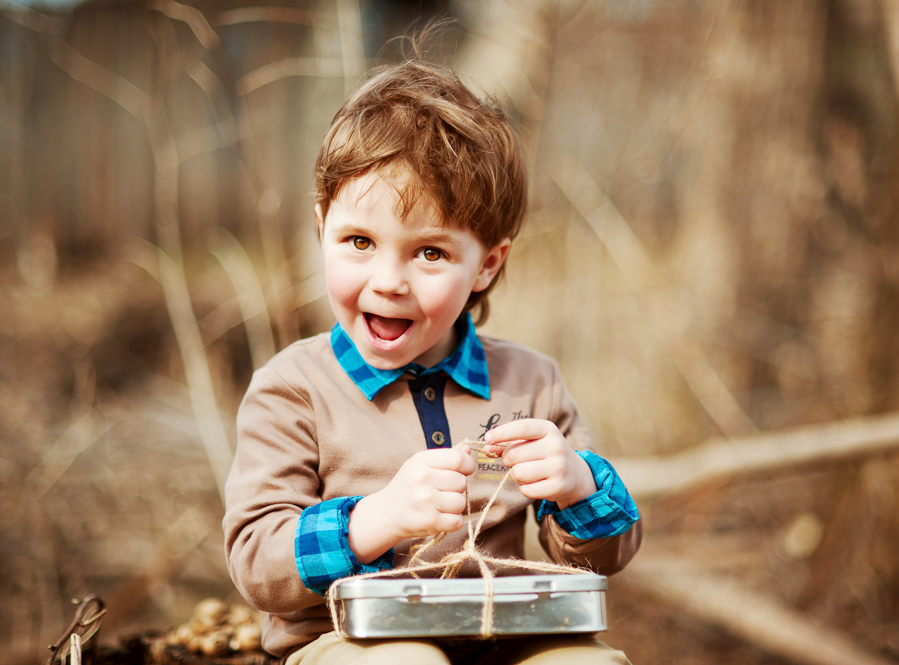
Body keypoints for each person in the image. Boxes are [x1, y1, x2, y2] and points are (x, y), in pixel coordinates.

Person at [222, 57, 643, 665]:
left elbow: (605, 560)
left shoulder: (531, 383)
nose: (388, 281)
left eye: (429, 252)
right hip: (350, 643)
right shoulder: (293, 389)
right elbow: (256, 563)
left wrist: (579, 487)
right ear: (321, 229)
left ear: (487, 265)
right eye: (360, 242)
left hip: (507, 638)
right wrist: (376, 520)